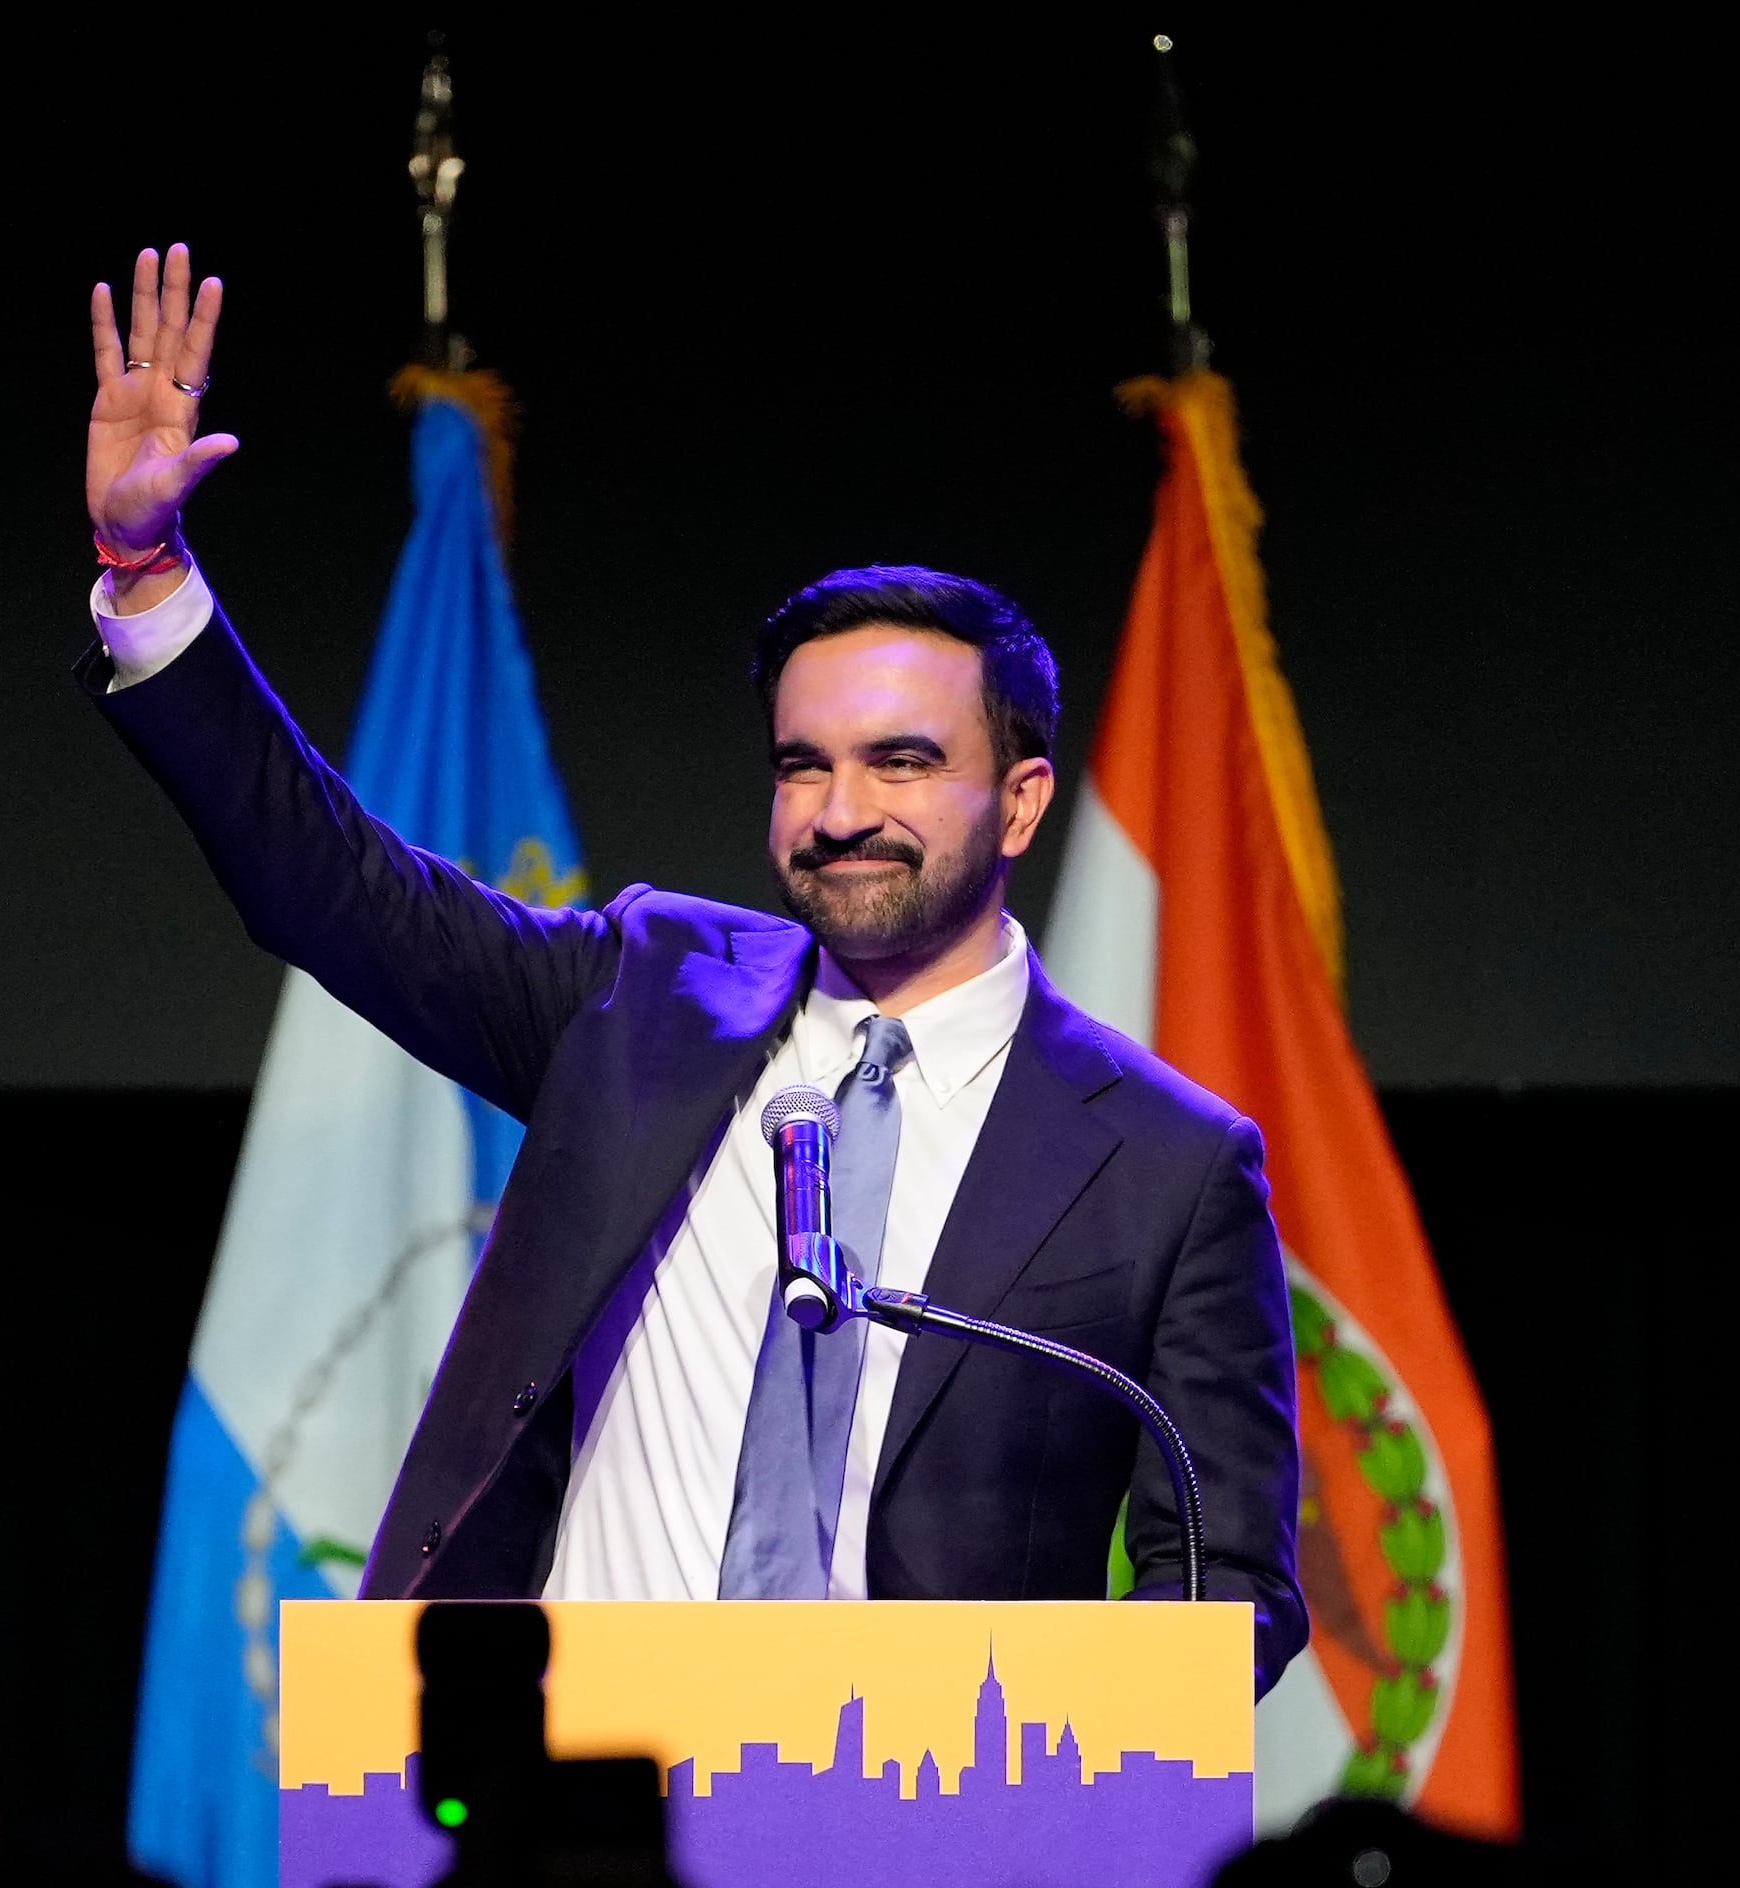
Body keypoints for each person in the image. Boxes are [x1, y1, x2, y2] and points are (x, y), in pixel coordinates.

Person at [74, 245, 1303, 1687]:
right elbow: (333, 889)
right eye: (805, 764)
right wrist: (150, 579)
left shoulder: (1165, 1164)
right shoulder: (640, 1001)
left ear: (1022, 799)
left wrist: (1030, 1772)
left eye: (901, 761)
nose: (842, 811)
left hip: (919, 1848)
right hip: (567, 1828)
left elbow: (1225, 1588)